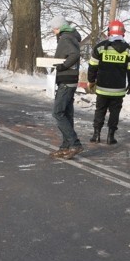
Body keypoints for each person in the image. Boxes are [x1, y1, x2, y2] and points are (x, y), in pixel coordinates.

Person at [87, 20, 130, 145]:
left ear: (109, 32)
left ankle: (96, 134)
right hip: (118, 89)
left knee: (100, 110)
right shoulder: (128, 50)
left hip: (102, 87)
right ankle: (111, 136)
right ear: (123, 33)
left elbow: (92, 66)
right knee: (115, 112)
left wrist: (91, 81)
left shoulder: (100, 48)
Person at [49, 15, 84, 159]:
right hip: (70, 79)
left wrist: (63, 66)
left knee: (57, 113)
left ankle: (75, 144)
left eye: (53, 29)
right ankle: (65, 146)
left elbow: (74, 54)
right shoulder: (71, 36)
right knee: (66, 114)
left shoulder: (65, 38)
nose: (52, 32)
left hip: (66, 80)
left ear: (58, 28)